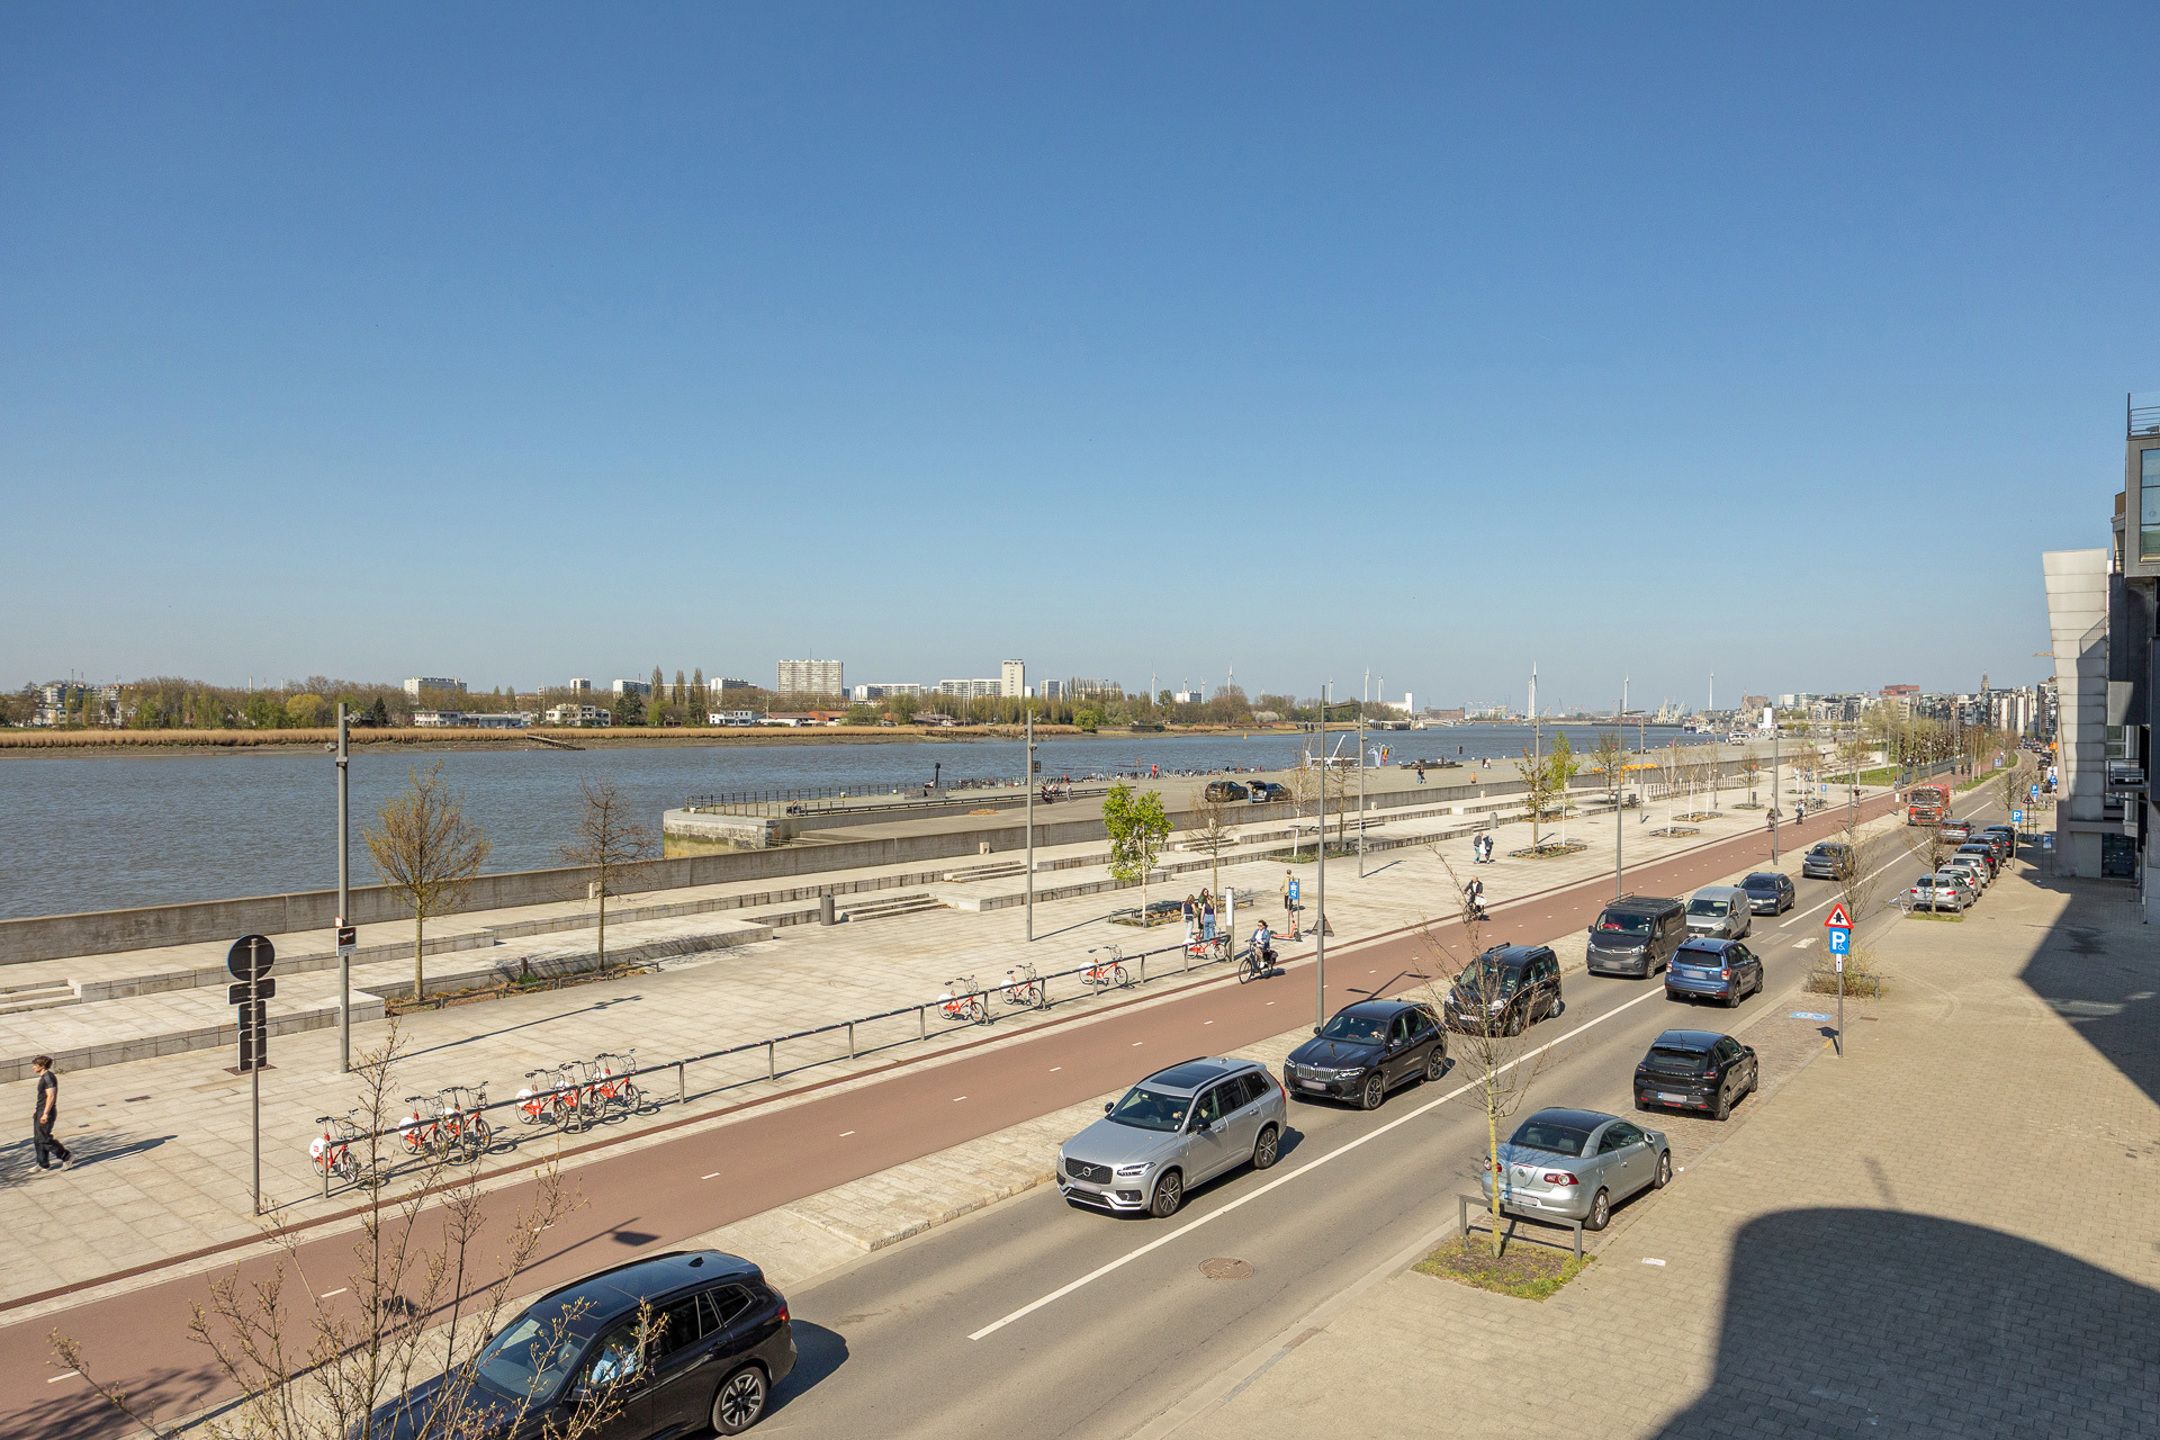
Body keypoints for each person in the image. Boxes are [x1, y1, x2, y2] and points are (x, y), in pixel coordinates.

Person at [31, 1055, 71, 1171]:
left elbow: (51, 1096)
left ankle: (66, 1156)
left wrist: (45, 1114)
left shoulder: (48, 1078)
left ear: (42, 1066)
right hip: (40, 1110)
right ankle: (43, 1163)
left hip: (46, 1112)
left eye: (35, 1065)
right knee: (38, 1138)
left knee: (44, 1139)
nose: (33, 1067)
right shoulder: (44, 1077)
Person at [1283, 871, 1301, 939]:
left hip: (1286, 890)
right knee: (1290, 899)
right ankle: (1290, 907)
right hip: (1291, 890)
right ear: (1290, 872)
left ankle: (1285, 906)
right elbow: (1294, 882)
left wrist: (1282, 888)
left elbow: (1283, 883)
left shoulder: (1285, 877)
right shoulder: (1292, 877)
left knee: (1285, 898)